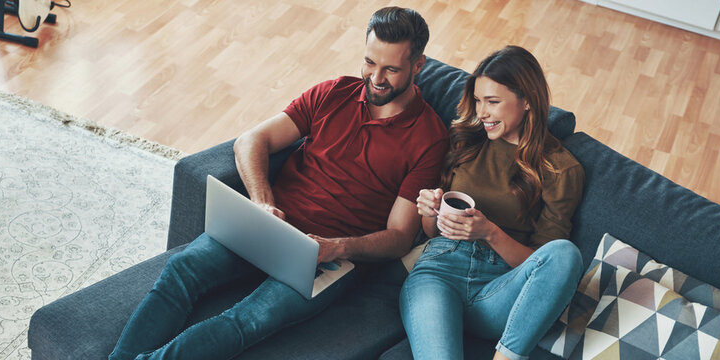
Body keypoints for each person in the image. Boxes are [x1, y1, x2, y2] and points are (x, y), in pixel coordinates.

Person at [108, 7, 449, 360]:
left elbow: (399, 237)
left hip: (331, 259)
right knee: (182, 269)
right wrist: (261, 201)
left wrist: (338, 248)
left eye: (391, 69)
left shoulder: (429, 138)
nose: (375, 77)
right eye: (369, 62)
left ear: (418, 65)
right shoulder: (334, 93)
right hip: (272, 224)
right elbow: (251, 140)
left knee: (249, 319)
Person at [399, 45, 585, 360]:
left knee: (566, 254)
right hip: (439, 273)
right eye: (478, 101)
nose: (482, 112)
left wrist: (489, 232)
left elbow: (543, 264)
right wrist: (430, 211)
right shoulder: (466, 140)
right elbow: (433, 233)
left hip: (499, 291)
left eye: (493, 102)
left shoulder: (561, 169)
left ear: (527, 101)